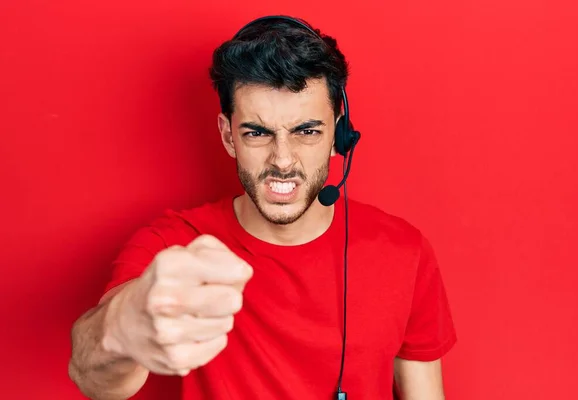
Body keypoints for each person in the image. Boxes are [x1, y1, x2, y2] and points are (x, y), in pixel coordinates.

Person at [68, 15, 457, 400]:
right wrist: (122, 324)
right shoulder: (171, 246)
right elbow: (93, 377)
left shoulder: (406, 251)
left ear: (339, 135)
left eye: (306, 131)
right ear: (228, 136)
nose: (283, 160)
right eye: (257, 133)